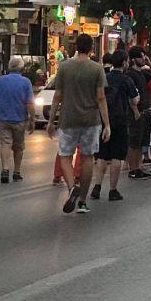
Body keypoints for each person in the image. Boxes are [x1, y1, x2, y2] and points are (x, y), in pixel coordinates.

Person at [47, 33, 110, 215]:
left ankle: (71, 187)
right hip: (91, 120)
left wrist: (51, 120)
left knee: (65, 155)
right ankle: (82, 200)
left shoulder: (65, 67)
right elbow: (101, 97)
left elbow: (57, 96)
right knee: (88, 157)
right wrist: (107, 124)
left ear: (75, 46)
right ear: (91, 48)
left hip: (68, 118)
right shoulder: (97, 69)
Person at [90, 50, 140, 201]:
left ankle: (97, 186)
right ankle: (113, 190)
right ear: (124, 62)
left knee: (102, 155)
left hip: (104, 120)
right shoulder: (127, 80)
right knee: (117, 156)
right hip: (120, 121)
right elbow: (135, 99)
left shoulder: (105, 77)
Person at [0, 56, 36, 184]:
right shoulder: (26, 82)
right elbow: (30, 104)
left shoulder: (1, 81)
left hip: (3, 118)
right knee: (18, 147)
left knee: (5, 143)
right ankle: (16, 172)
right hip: (19, 119)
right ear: (22, 68)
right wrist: (32, 120)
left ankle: (5, 169)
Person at [124, 48, 151, 180]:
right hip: (136, 112)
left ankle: (138, 167)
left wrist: (149, 63)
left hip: (145, 111)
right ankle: (133, 168)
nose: (144, 59)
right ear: (133, 59)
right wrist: (136, 111)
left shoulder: (143, 73)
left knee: (141, 141)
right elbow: (130, 96)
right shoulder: (130, 75)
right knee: (134, 142)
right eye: (141, 57)